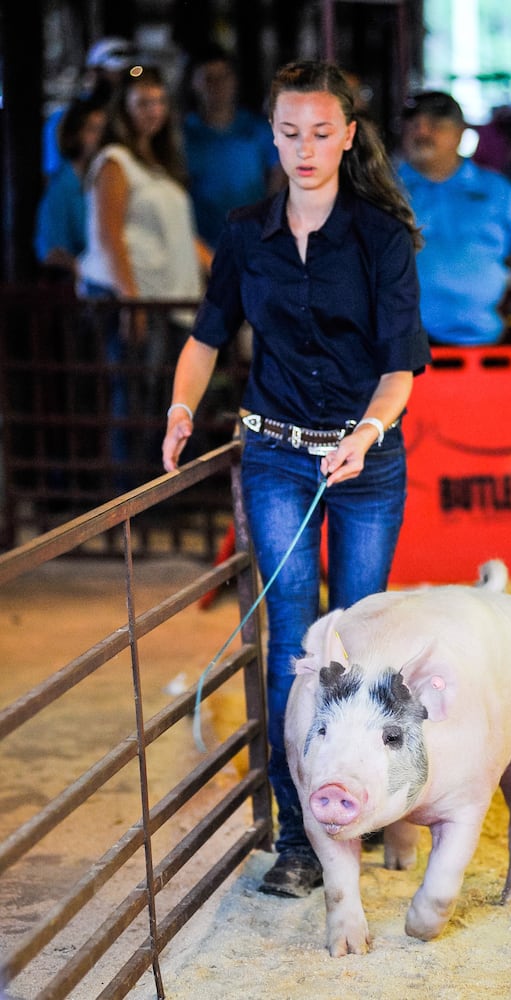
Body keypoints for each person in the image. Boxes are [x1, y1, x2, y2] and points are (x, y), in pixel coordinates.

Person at [162, 59, 430, 896]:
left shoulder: (382, 236)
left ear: (349, 136)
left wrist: (368, 431)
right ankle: (302, 838)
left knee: (354, 635)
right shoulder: (246, 232)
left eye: (322, 132)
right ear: (270, 136)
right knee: (291, 639)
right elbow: (209, 334)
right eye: (288, 132)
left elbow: (401, 366)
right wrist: (179, 408)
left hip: (367, 460)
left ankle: (372, 800)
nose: (305, 148)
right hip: (275, 450)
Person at [79, 65, 212, 473]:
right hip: (137, 297)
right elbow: (108, 235)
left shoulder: (159, 163)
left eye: (158, 101)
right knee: (137, 395)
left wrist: (226, 269)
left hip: (169, 299)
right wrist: (131, 302)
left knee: (163, 398)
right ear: (125, 108)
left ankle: (163, 492)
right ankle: (131, 495)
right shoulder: (115, 161)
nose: (152, 110)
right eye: (142, 102)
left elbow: (181, 236)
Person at [397, 91, 511, 367]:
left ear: (459, 134)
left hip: (483, 343)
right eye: (413, 125)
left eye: (435, 125)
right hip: (402, 348)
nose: (422, 132)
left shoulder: (499, 192)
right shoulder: (381, 189)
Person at [182, 44, 285, 249]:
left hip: (253, 244)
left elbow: (279, 177)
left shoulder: (259, 130)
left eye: (224, 77)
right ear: (194, 83)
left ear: (235, 80)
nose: (218, 86)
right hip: (201, 248)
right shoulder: (183, 135)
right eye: (208, 79)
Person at [34, 93, 107, 278]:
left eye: (103, 131)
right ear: (74, 135)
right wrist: (86, 271)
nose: (100, 138)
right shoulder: (62, 186)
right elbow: (50, 251)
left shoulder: (101, 179)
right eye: (93, 129)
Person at [43, 36, 138, 178]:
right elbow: (55, 170)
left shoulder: (129, 117)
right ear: (94, 72)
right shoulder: (63, 118)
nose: (119, 81)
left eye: (125, 74)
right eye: (112, 73)